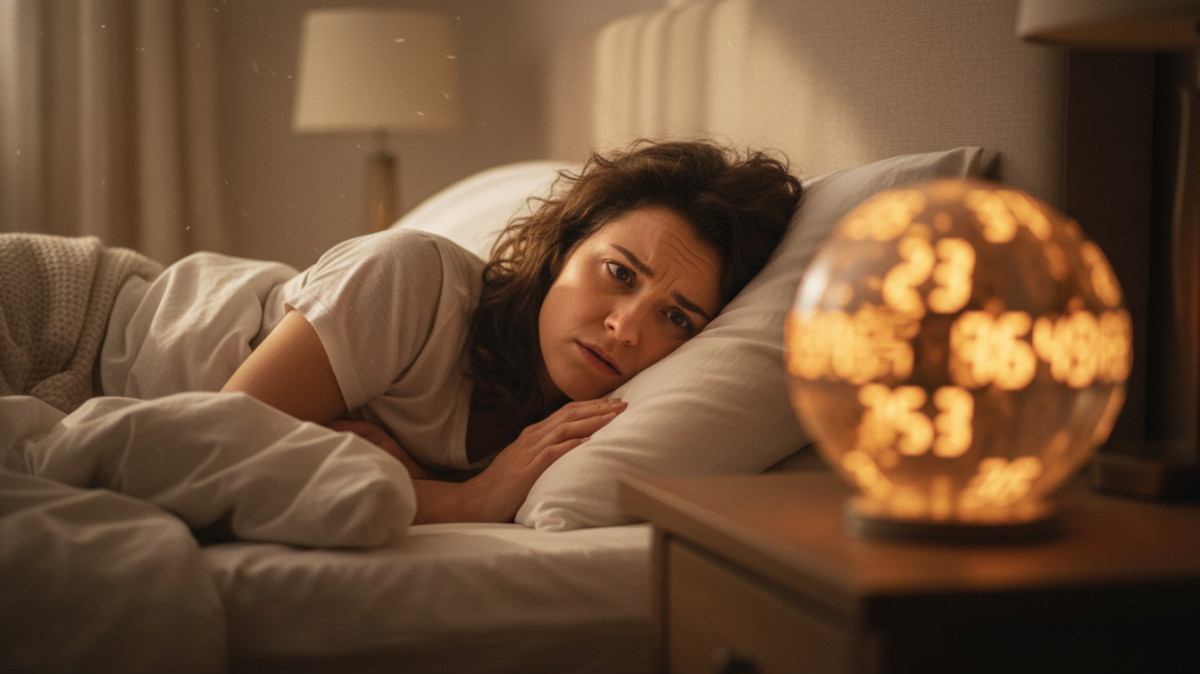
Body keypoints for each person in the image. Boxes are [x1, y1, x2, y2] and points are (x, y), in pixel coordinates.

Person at [7, 139, 803, 524]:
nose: (626, 326)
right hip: (67, 315)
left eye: (676, 317)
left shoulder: (572, 425)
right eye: (618, 272)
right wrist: (464, 498)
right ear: (562, 250)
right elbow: (215, 439)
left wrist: (369, 453)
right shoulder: (412, 278)